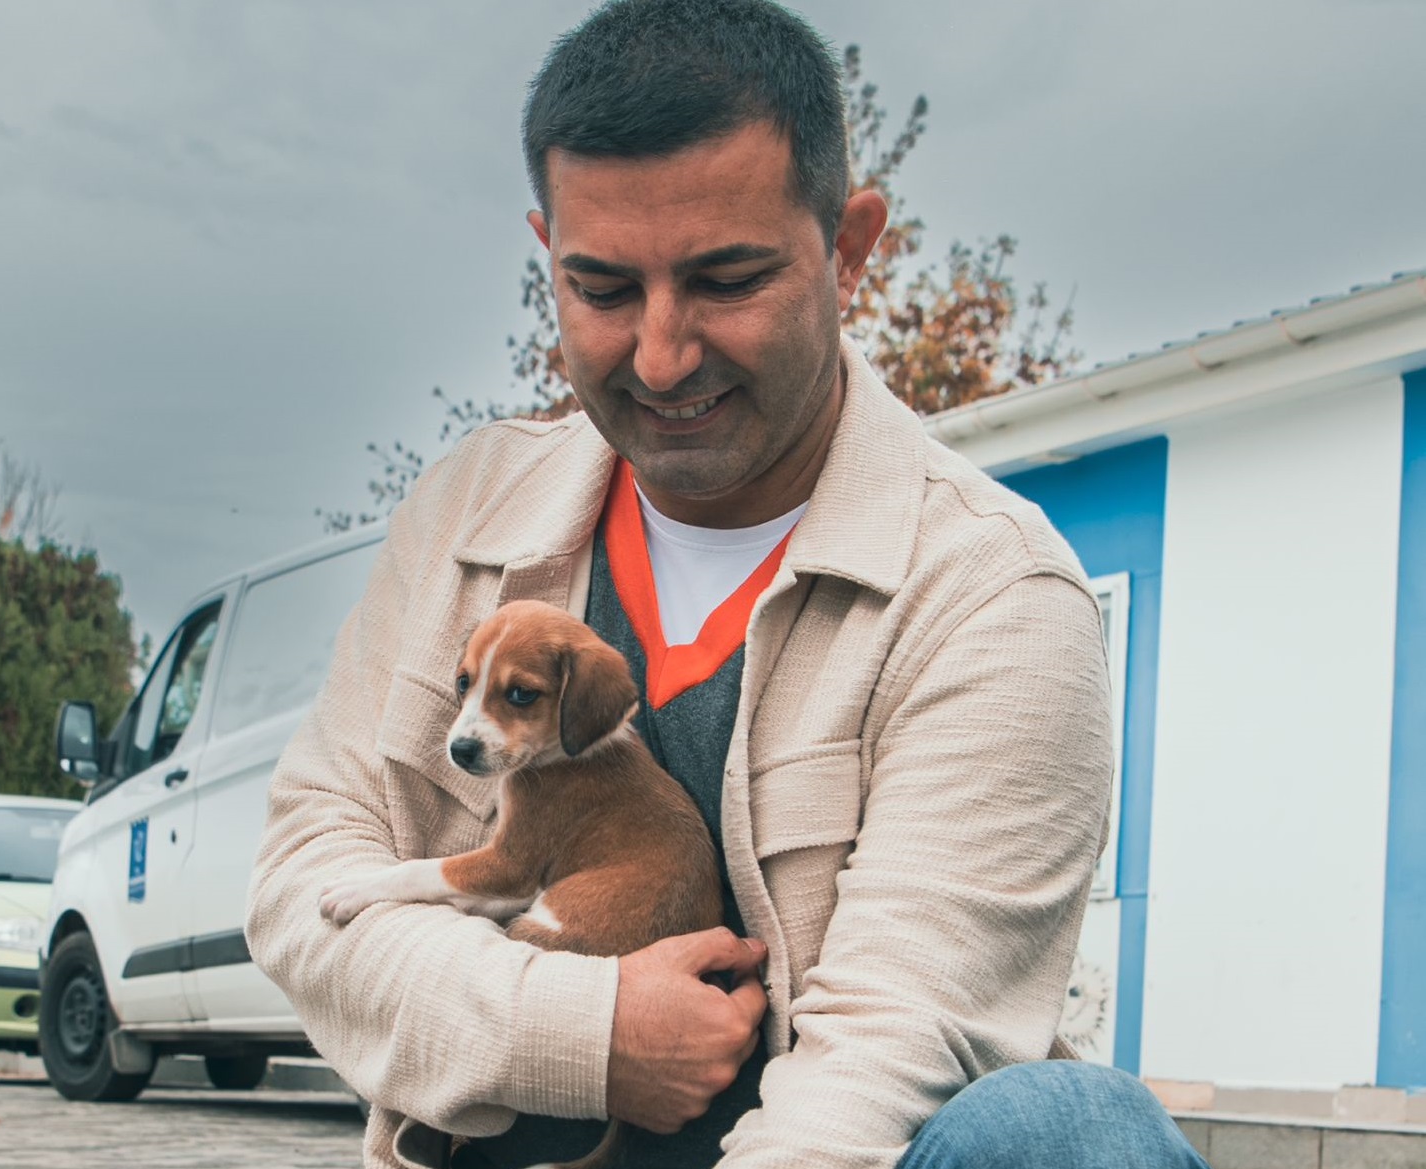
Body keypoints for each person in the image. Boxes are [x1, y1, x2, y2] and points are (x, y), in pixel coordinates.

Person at [245, 2, 1209, 1167]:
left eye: (726, 278)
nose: (661, 354)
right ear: (547, 249)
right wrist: (585, 1030)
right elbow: (309, 883)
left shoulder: (991, 598)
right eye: (602, 290)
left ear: (850, 247)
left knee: (1073, 1133)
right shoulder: (467, 516)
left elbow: (885, 1052)